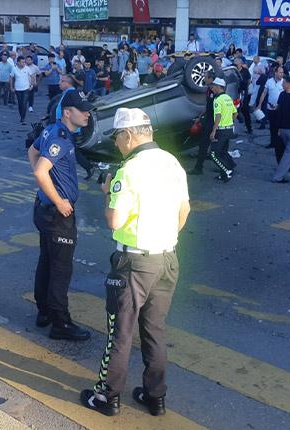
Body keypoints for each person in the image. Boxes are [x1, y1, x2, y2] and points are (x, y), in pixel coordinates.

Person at [80, 107, 190, 417]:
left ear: (129, 135)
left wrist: (107, 193)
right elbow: (184, 212)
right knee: (155, 330)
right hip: (167, 258)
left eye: (117, 137)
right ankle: (155, 397)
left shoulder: (128, 170)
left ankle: (107, 397)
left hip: (134, 264)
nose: (116, 143)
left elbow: (114, 220)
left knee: (121, 331)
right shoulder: (173, 163)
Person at [28, 90, 94, 341]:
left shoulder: (50, 130)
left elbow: (32, 153)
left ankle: (43, 311)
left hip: (44, 209)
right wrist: (58, 199)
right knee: (60, 269)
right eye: (82, 109)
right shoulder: (61, 138)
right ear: (68, 112)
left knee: (47, 261)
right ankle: (60, 323)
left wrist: (47, 189)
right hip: (57, 214)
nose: (87, 113)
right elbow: (40, 171)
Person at [209, 77, 237, 182]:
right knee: (223, 152)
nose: (212, 88)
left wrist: (213, 131)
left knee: (213, 154)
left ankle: (226, 171)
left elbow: (218, 116)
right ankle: (225, 172)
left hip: (221, 130)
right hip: (229, 129)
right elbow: (235, 113)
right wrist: (230, 122)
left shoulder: (218, 100)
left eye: (214, 86)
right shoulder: (228, 98)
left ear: (218, 87)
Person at [188, 72, 217, 175]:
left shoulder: (215, 90)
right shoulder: (209, 89)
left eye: (205, 77)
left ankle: (198, 168)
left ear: (210, 78)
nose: (203, 78)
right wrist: (199, 118)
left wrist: (214, 127)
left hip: (212, 122)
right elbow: (207, 106)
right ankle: (199, 167)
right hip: (207, 120)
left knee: (205, 145)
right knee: (205, 145)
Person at [11, 55, 33, 124]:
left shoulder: (27, 68)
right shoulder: (14, 69)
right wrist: (11, 87)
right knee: (20, 104)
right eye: (22, 62)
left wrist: (31, 85)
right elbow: (11, 78)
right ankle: (21, 116)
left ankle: (23, 118)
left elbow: (32, 76)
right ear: (18, 62)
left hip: (26, 88)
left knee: (24, 103)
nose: (24, 63)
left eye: (24, 62)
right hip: (18, 89)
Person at [234, 58, 252, 134]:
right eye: (234, 61)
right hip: (234, 92)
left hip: (243, 92)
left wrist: (245, 89)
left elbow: (248, 80)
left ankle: (249, 127)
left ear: (241, 63)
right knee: (234, 109)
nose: (235, 63)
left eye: (237, 61)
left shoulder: (245, 71)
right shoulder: (232, 69)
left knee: (245, 109)